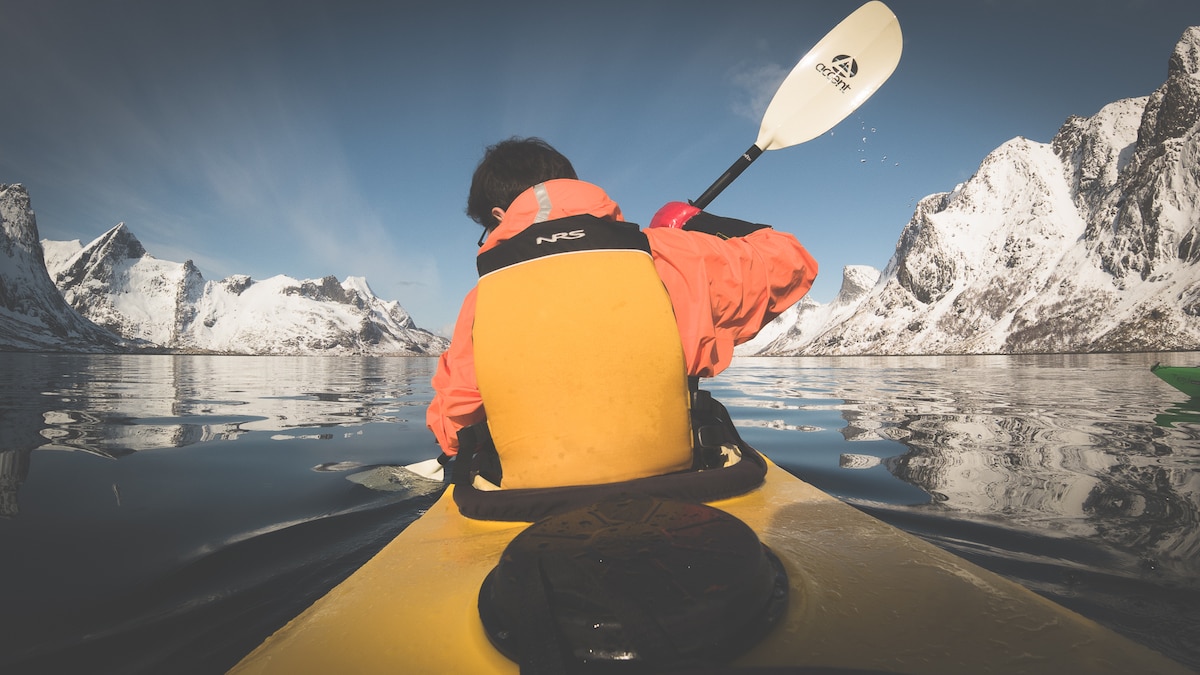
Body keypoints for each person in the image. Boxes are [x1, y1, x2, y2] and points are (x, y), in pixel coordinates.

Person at [426, 137, 816, 489]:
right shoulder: (666, 254)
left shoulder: (482, 299)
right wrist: (698, 225)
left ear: (498, 215)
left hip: (530, 500)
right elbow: (792, 260)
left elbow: (453, 424)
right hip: (674, 488)